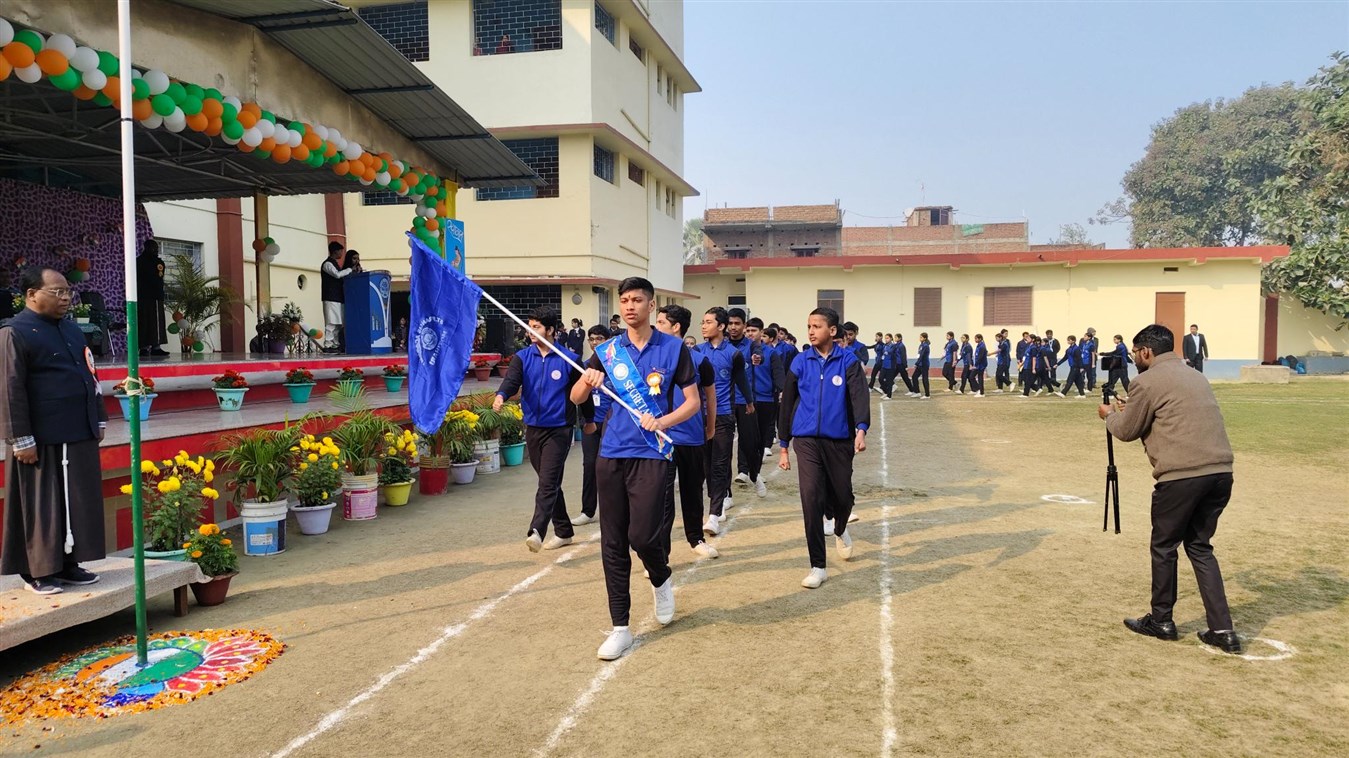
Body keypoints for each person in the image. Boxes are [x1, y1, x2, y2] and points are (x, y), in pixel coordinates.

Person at [571, 277, 701, 661]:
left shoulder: (674, 349)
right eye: (624, 300)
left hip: (653, 452)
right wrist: (588, 381)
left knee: (643, 537)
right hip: (612, 453)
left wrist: (663, 422)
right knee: (612, 541)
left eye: (637, 300)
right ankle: (620, 627)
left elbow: (692, 402)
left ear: (651, 304)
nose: (630, 306)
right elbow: (576, 396)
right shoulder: (608, 351)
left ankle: (660, 578)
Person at [1100, 324, 1241, 654]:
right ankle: (1223, 630)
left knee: (1164, 547)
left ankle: (1161, 620)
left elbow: (1127, 431)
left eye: (1135, 353)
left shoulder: (1145, 381)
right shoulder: (1196, 375)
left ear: (1147, 351)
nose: (1134, 358)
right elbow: (1171, 412)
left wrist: (1108, 415)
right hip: (1220, 473)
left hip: (1181, 477)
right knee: (1200, 548)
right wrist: (1132, 407)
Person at [1, 267, 108, 595]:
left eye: (67, 292)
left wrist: (98, 419)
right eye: (57, 292)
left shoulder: (72, 330)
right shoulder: (15, 332)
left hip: (77, 429)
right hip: (39, 436)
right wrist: (20, 439)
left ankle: (69, 564)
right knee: (41, 504)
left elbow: (90, 374)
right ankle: (37, 571)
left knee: (76, 499)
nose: (65, 298)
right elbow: (10, 388)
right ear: (31, 294)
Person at [778, 307, 869, 589]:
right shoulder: (800, 361)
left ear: (832, 330)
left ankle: (840, 527)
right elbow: (787, 402)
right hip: (806, 440)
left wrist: (861, 430)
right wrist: (784, 444)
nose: (811, 331)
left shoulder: (848, 361)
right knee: (811, 498)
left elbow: (859, 397)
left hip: (839, 440)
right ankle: (818, 566)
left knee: (842, 496)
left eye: (816, 326)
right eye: (809, 326)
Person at [493, 306, 590, 553]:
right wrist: (501, 395)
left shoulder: (570, 359)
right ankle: (564, 531)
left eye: (536, 327)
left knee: (547, 482)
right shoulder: (523, 357)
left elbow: (583, 393)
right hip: (533, 428)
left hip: (560, 429)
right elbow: (511, 381)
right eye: (529, 326)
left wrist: (589, 420)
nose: (530, 331)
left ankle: (537, 530)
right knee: (550, 481)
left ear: (551, 330)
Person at [655, 305, 720, 560]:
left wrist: (710, 427)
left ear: (676, 327)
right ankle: (661, 553)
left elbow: (710, 398)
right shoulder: (653, 357)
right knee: (663, 498)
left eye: (661, 322)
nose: (656, 326)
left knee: (692, 491)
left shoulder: (700, 360)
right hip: (662, 438)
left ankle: (696, 539)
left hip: (692, 437)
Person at [695, 307, 752, 537]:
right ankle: (717, 499)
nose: (703, 326)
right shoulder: (697, 351)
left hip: (723, 415)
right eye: (702, 322)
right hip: (700, 416)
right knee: (706, 464)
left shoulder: (733, 354)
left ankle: (714, 514)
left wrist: (749, 401)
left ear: (721, 326)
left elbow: (741, 379)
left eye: (708, 322)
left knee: (720, 463)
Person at [575, 325, 614, 527]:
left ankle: (613, 511)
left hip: (612, 424)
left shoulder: (617, 368)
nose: (595, 342)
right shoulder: (584, 367)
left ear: (608, 340)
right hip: (590, 423)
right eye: (591, 339)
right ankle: (588, 510)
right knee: (589, 465)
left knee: (609, 467)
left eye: (599, 338)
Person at [726, 309, 761, 491]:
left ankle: (753, 473)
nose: (733, 327)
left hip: (745, 401)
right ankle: (726, 493)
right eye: (730, 323)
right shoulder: (722, 345)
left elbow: (758, 354)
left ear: (744, 326)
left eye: (737, 323)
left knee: (749, 442)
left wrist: (757, 358)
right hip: (725, 402)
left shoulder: (751, 345)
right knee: (723, 447)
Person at [135, 240, 170, 357]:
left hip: (154, 296)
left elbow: (159, 277)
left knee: (155, 322)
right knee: (144, 321)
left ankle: (155, 346)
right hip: (144, 295)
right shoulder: (140, 261)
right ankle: (144, 347)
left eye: (156, 247)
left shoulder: (157, 262)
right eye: (153, 247)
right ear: (146, 248)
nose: (155, 250)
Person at [321, 241, 357, 353]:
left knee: (338, 324)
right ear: (335, 251)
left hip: (338, 297)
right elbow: (337, 275)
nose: (342, 253)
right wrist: (350, 270)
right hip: (330, 297)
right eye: (341, 251)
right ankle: (328, 344)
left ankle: (335, 344)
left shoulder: (335, 264)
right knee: (331, 323)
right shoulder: (327, 264)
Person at [911, 332, 931, 399]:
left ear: (925, 338)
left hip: (924, 364)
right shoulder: (921, 345)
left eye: (921, 337)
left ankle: (927, 395)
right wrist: (918, 363)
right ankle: (917, 392)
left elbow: (922, 356)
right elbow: (919, 355)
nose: (920, 338)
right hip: (920, 364)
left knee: (925, 379)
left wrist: (916, 363)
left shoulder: (925, 346)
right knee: (914, 377)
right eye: (920, 337)